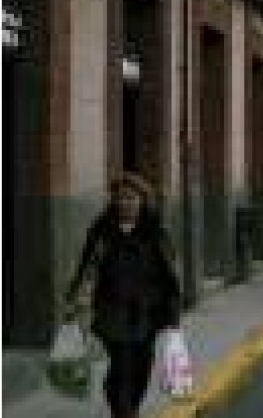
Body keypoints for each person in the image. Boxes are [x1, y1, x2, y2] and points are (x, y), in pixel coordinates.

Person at [64, 173, 183, 418]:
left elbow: (170, 273)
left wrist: (172, 312)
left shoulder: (155, 232)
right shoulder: (102, 231)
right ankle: (124, 412)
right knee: (123, 365)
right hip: (112, 311)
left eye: (131, 198)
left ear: (142, 200)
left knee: (142, 368)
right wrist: (78, 302)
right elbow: (89, 269)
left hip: (147, 312)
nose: (125, 203)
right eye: (120, 198)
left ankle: (123, 401)